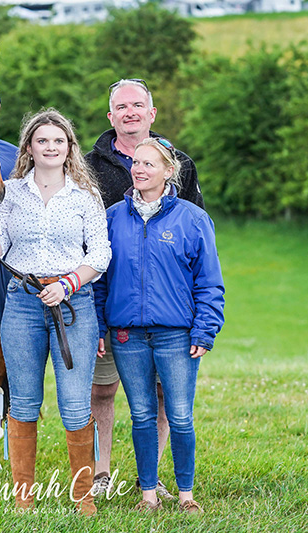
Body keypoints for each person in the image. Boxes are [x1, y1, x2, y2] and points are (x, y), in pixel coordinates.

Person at [0, 108, 111, 516]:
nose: (50, 147)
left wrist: (67, 284)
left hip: (73, 305)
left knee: (75, 404)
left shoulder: (86, 196)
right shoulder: (10, 193)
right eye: (42, 140)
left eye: (58, 141)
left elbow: (100, 254)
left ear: (69, 147)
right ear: (29, 147)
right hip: (23, 303)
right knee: (24, 402)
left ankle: (83, 498)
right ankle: (23, 498)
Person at [85, 78, 204, 499]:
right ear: (111, 116)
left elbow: (195, 237)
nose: (130, 112)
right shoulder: (88, 166)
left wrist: (197, 314)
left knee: (162, 395)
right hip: (110, 304)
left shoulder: (180, 163)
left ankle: (147, 477)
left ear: (152, 113)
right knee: (102, 389)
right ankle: (101, 472)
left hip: (166, 310)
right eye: (122, 106)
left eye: (138, 105)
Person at [94, 137, 224, 513]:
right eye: (136, 162)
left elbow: (209, 282)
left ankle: (186, 495)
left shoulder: (192, 219)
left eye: (149, 164)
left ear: (169, 171)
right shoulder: (113, 218)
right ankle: (148, 495)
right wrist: (100, 326)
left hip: (176, 336)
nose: (139, 169)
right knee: (142, 416)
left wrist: (204, 330)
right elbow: (100, 280)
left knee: (180, 416)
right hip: (127, 336)